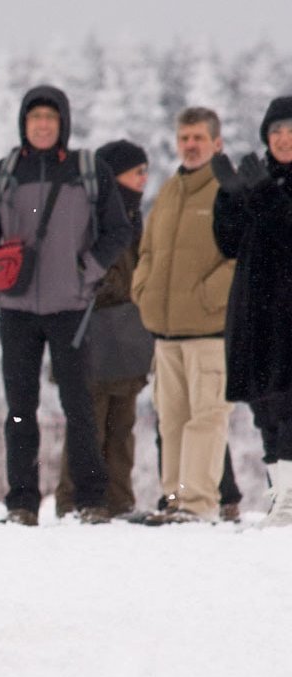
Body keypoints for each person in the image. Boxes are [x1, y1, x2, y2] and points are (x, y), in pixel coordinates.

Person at [0, 85, 134, 526]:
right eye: (35, 117)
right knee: (20, 409)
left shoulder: (87, 170)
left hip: (71, 308)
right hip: (16, 309)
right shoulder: (4, 173)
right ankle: (22, 503)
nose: (42, 124)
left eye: (50, 118)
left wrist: (87, 271)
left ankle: (91, 500)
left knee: (79, 407)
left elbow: (118, 230)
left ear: (63, 124)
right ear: (24, 124)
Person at [131, 107, 236, 524]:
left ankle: (198, 503)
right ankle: (174, 500)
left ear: (217, 143)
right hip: (166, 333)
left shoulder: (229, 190)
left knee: (206, 419)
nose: (190, 146)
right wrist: (143, 289)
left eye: (199, 138)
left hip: (210, 331)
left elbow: (243, 257)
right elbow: (148, 250)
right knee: (171, 421)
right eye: (184, 138)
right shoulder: (170, 190)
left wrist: (209, 296)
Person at [54, 139, 150, 518]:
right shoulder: (85, 215)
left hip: (126, 334)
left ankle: (118, 501)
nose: (143, 179)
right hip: (90, 331)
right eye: (136, 171)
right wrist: (117, 288)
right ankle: (76, 502)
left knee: (121, 424)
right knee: (88, 422)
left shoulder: (134, 216)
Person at [212, 95, 292, 528]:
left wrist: (262, 193)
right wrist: (228, 199)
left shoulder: (267, 185)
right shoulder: (257, 178)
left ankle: (290, 502)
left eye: (291, 130)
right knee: (266, 410)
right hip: (256, 313)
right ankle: (281, 496)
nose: (283, 138)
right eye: (276, 130)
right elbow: (229, 244)